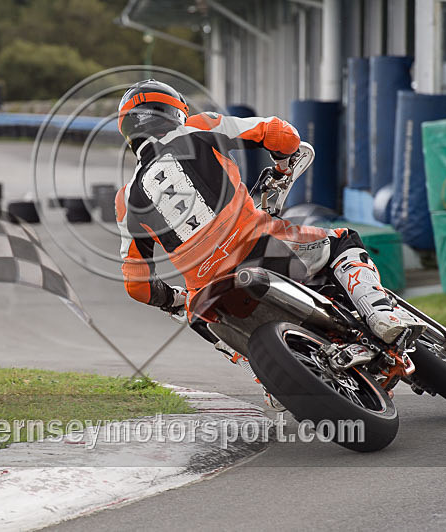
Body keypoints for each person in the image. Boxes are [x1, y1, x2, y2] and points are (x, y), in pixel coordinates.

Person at [115, 79, 417, 403]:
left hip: (207, 293)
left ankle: (268, 377)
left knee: (194, 314)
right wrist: (283, 163)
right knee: (344, 241)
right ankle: (381, 314)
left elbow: (137, 285)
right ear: (175, 111)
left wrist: (172, 299)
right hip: (262, 250)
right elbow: (280, 133)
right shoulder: (197, 129)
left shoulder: (126, 200)